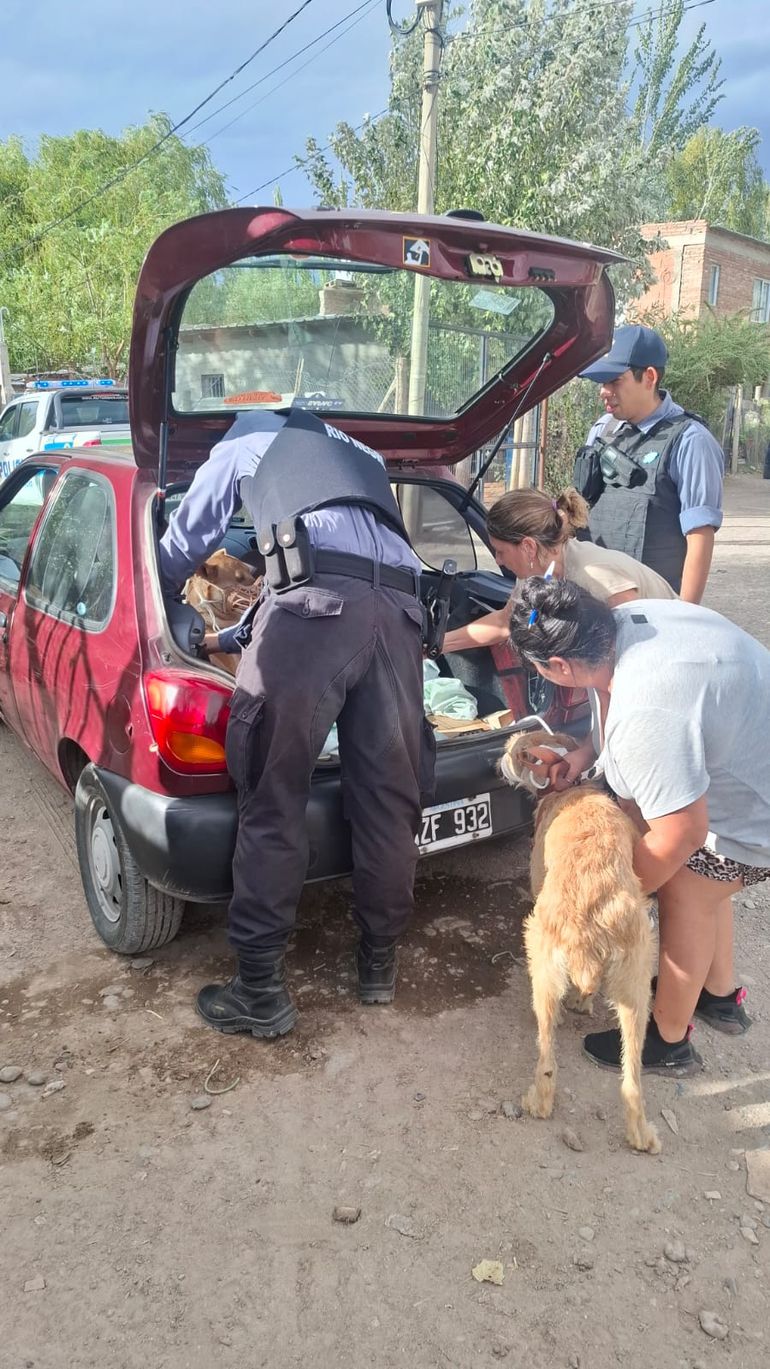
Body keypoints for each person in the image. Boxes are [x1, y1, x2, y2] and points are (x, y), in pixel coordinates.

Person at [158, 406, 431, 1039]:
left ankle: (258, 990)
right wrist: (238, 631)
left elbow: (185, 544)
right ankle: (378, 966)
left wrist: (163, 592)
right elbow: (342, 572)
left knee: (272, 795)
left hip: (314, 616)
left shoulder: (247, 440)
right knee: (390, 800)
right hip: (401, 615)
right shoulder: (361, 458)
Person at [507, 577, 770, 1073]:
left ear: (559, 666)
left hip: (757, 808)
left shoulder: (647, 710)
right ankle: (718, 997)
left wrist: (613, 902)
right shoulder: (623, 625)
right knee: (707, 887)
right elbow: (617, 710)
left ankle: (667, 1041)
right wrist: (585, 756)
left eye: (539, 668)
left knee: (685, 890)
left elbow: (684, 833)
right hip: (748, 755)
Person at [573, 324, 724, 601]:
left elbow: (700, 537)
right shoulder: (603, 429)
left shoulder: (691, 441)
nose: (603, 391)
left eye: (614, 381)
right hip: (592, 599)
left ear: (649, 377)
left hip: (651, 606)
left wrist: (684, 615)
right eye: (601, 383)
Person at [441, 485, 675, 656]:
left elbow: (634, 643)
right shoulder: (535, 570)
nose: (498, 560)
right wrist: (437, 646)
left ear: (528, 546)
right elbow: (505, 622)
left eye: (501, 551)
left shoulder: (594, 575)